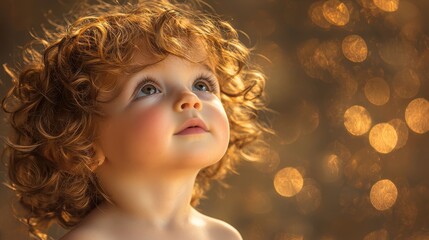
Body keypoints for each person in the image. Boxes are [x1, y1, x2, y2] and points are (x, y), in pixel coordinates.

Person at [1, 0, 273, 239]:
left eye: (202, 84)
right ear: (82, 145)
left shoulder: (222, 236)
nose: (191, 98)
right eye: (148, 89)